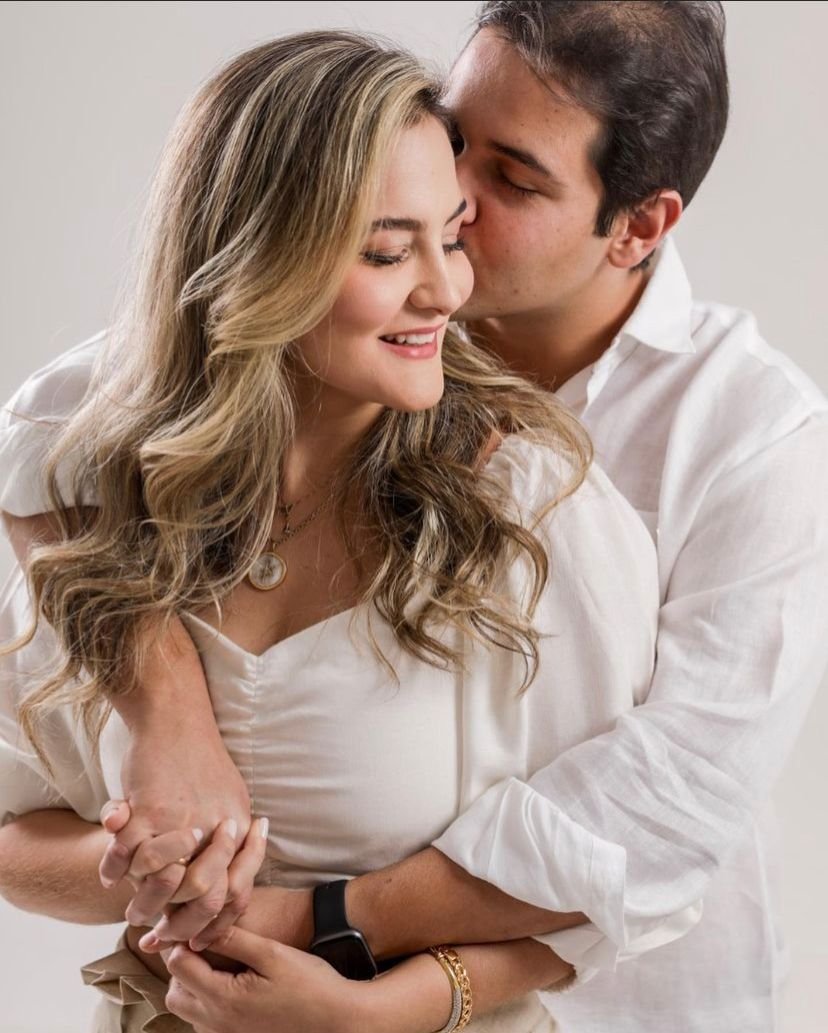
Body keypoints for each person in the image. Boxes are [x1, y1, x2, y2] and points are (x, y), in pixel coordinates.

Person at [3, 2, 827, 1031]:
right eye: (454, 135)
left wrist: (325, 934)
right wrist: (166, 720)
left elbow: (664, 807)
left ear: (639, 226)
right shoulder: (334, 357)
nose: (456, 198)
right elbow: (57, 423)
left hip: (633, 1002)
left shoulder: (732, 442)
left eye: (512, 179)